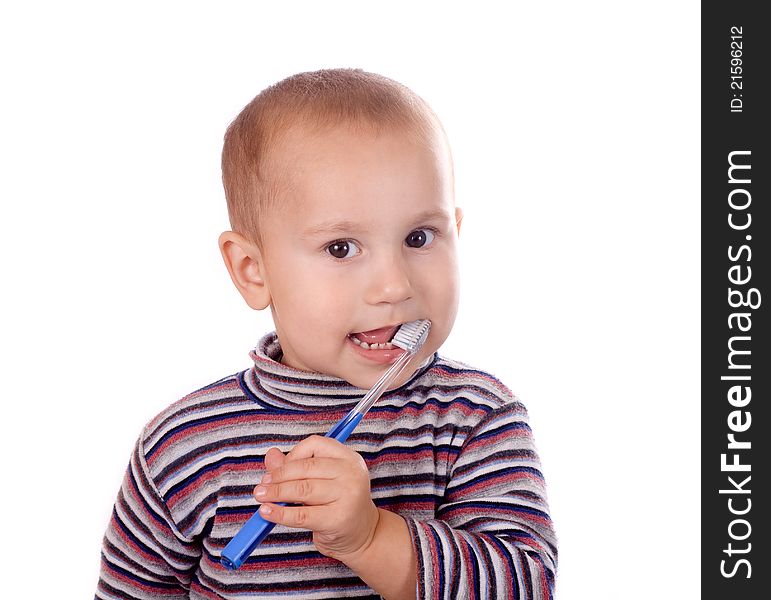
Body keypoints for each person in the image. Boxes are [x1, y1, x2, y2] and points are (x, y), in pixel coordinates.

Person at [96, 68, 558, 600]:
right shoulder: (182, 446)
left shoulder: (474, 418)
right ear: (253, 270)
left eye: (419, 236)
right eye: (341, 248)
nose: (393, 284)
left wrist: (372, 537)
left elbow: (526, 586)